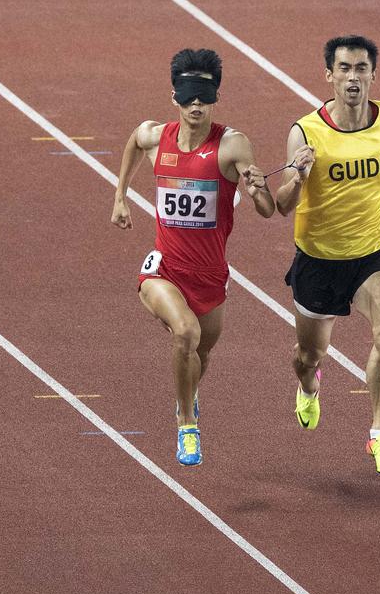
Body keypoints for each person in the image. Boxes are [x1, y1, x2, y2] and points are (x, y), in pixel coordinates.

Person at [112, 49, 275, 466]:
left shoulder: (232, 145)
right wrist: (121, 197)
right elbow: (134, 140)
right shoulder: (156, 136)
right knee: (185, 334)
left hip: (211, 276)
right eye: (188, 96)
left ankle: (188, 395)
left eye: (204, 95)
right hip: (163, 270)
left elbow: (266, 209)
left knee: (200, 356)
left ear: (215, 96)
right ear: (175, 97)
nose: (196, 105)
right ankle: (187, 427)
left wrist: (256, 187)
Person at [275, 35, 380, 475]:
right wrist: (298, 177)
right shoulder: (305, 132)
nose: (353, 77)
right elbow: (282, 203)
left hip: (374, 251)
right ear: (329, 75)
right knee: (308, 355)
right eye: (345, 69)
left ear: (373, 73)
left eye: (361, 68)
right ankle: (309, 387)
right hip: (319, 259)